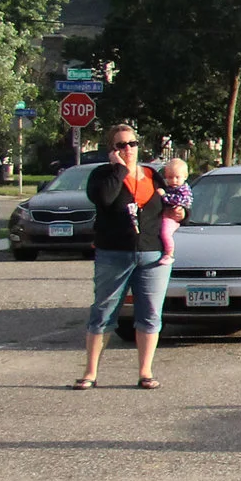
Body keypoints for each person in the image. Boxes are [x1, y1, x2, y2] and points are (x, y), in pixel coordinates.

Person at [77, 124, 174, 390]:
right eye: (121, 145)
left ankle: (145, 372)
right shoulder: (102, 175)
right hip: (113, 253)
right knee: (103, 312)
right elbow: (104, 199)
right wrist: (119, 169)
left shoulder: (152, 175)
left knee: (150, 314)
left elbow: (171, 204)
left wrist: (182, 213)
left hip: (151, 254)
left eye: (132, 143)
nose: (128, 149)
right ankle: (90, 373)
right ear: (112, 149)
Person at [152, 157, 193, 262]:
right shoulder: (169, 188)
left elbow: (178, 201)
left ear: (185, 176)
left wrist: (164, 195)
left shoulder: (183, 190)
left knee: (165, 232)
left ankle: (169, 253)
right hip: (165, 216)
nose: (174, 180)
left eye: (177, 177)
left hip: (172, 219)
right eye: (170, 177)